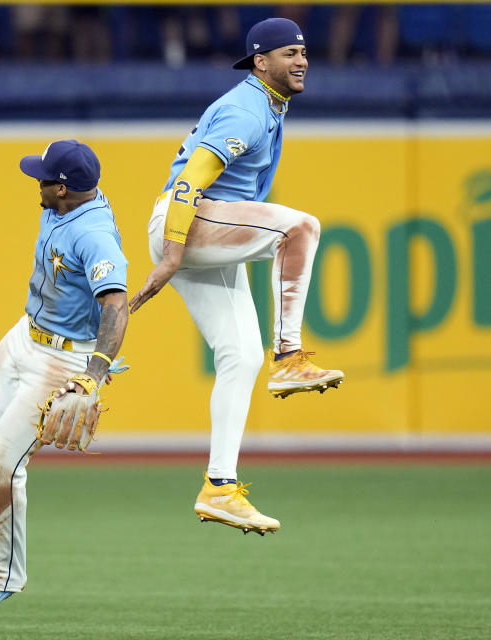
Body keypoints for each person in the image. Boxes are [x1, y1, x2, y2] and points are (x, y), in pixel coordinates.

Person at [129, 18, 344, 536]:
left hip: (203, 227)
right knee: (300, 227)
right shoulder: (246, 109)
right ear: (259, 62)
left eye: (303, 52)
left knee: (242, 357)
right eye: (287, 53)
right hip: (189, 221)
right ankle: (290, 356)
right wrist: (171, 254)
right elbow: (188, 183)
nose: (300, 60)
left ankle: (219, 486)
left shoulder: (268, 105)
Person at [0, 140, 130, 618]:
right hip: (25, 335)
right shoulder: (62, 204)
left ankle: (2, 577)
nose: (37, 182)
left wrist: (94, 374)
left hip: (63, 360)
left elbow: (116, 304)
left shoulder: (94, 236)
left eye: (42, 177)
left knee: (3, 463)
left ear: (62, 188)